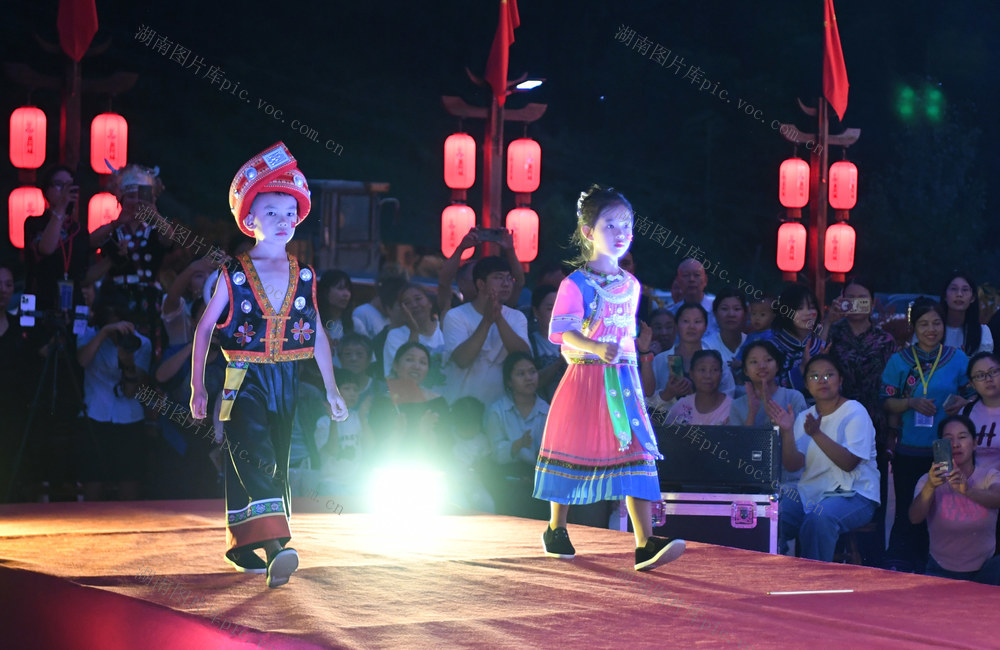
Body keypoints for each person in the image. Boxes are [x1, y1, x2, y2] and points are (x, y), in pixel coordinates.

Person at [190, 142, 348, 588]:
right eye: (271, 212)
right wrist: (198, 388)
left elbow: (316, 333)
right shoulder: (233, 274)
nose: (282, 221)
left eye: (288, 213)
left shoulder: (306, 275)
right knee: (254, 452)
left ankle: (242, 543)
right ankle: (280, 546)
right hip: (241, 379)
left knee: (272, 458)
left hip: (286, 379)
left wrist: (333, 389)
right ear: (250, 220)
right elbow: (204, 331)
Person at [533, 184, 685, 572]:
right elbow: (563, 331)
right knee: (573, 449)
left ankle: (644, 542)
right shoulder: (576, 284)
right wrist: (596, 347)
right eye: (611, 224)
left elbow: (626, 337)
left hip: (623, 383)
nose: (621, 233)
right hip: (585, 380)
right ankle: (556, 528)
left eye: (627, 225)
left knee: (636, 452)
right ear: (588, 232)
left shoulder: (631, 286)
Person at [881, 297, 973, 572]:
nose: (931, 329)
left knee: (942, 509)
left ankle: (940, 566)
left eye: (936, 323)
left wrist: (961, 402)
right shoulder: (899, 361)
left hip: (946, 449)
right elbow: (886, 401)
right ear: (914, 327)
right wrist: (909, 403)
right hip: (909, 447)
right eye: (923, 324)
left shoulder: (958, 358)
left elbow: (971, 395)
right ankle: (903, 565)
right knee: (909, 509)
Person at [767, 354, 880, 561]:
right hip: (811, 493)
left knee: (819, 518)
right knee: (773, 510)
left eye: (829, 375)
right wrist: (787, 431)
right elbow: (793, 465)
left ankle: (813, 582)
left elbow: (849, 463)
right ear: (807, 384)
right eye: (815, 376)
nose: (822, 381)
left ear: (841, 380)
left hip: (854, 494)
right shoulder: (804, 417)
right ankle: (771, 571)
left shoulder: (855, 411)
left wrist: (817, 434)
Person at [823, 277, 898, 563]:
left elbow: (892, 386)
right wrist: (829, 320)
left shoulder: (885, 340)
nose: (855, 302)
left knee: (871, 492)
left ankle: (872, 560)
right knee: (834, 490)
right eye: (849, 297)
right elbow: (814, 362)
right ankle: (831, 555)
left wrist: (892, 430)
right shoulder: (833, 334)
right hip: (835, 422)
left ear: (872, 302)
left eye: (861, 297)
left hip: (873, 424)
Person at [76, 284, 152, 501]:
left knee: (129, 482)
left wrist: (128, 363)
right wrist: (105, 332)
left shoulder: (140, 343)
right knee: (93, 481)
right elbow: (82, 360)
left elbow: (130, 391)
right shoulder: (88, 335)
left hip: (129, 419)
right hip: (94, 416)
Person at [909, 415, 1000, 584]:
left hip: (987, 570)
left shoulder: (989, 475)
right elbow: (915, 518)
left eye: (963, 437)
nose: (956, 444)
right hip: (941, 569)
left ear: (974, 443)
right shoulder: (928, 480)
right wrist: (930, 486)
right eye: (948, 439)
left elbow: (997, 497)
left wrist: (967, 491)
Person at [441, 256, 530, 406]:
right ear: (481, 284)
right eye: (498, 278)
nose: (506, 284)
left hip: (503, 410)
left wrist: (499, 318)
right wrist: (487, 321)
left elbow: (523, 356)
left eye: (509, 279)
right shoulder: (456, 316)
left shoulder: (517, 317)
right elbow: (462, 360)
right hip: (462, 408)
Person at [484, 351, 549, 517]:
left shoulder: (548, 411)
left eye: (532, 372)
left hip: (539, 481)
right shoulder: (497, 411)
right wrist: (518, 444)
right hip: (507, 480)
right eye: (520, 374)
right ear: (509, 382)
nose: (528, 378)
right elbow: (497, 454)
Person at [23, 165, 92, 311]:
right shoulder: (34, 223)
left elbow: (84, 276)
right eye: (60, 185)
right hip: (40, 304)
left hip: (73, 306)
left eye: (70, 186)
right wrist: (61, 206)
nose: (65, 190)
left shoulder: (79, 230)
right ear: (46, 191)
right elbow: (46, 249)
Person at [742, 284, 824, 398]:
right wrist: (801, 369)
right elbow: (765, 386)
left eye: (811, 307)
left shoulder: (821, 346)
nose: (807, 313)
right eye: (799, 308)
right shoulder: (770, 348)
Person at [652, 302, 736, 403]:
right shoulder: (660, 360)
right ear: (677, 325)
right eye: (686, 321)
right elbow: (646, 400)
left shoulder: (717, 361)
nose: (691, 326)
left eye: (697, 321)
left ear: (705, 327)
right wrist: (667, 394)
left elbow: (728, 398)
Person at [730, 340, 808, 428]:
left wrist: (772, 413)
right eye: (754, 362)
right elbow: (740, 441)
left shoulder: (794, 397)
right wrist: (752, 413)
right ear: (745, 370)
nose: (762, 366)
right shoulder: (736, 406)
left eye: (768, 360)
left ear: (777, 366)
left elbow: (801, 436)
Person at [382, 283, 444, 387]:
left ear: (430, 303)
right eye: (407, 303)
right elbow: (400, 374)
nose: (414, 305)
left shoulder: (445, 329)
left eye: (418, 299)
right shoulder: (395, 336)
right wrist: (414, 331)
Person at [664, 349, 731, 425]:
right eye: (702, 370)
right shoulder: (681, 406)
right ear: (691, 374)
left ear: (721, 374)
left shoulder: (731, 408)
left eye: (714, 370)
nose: (708, 376)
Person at [940, 272, 993, 356]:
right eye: (954, 289)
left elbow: (985, 366)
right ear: (945, 296)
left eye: (965, 290)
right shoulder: (932, 329)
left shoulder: (982, 332)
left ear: (972, 298)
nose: (959, 294)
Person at [963, 352, 1000, 474]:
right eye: (980, 376)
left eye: (993, 372)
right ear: (972, 384)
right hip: (971, 486)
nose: (988, 379)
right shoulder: (965, 412)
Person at [528, 284, 567, 402]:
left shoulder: (575, 340)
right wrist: (560, 361)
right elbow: (531, 383)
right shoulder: (531, 342)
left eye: (559, 308)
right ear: (536, 312)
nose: (556, 313)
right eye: (550, 309)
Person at [702, 288, 748, 371]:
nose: (731, 314)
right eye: (724, 309)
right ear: (715, 314)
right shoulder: (706, 345)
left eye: (737, 309)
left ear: (745, 314)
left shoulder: (752, 342)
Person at [669, 258, 717, 334]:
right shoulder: (671, 315)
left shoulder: (717, 312)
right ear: (678, 281)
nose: (691, 279)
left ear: (705, 280)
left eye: (697, 275)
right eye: (686, 275)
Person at [317, 269, 355, 362]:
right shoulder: (312, 323)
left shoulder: (355, 324)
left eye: (348, 289)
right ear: (325, 292)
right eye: (340, 288)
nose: (346, 294)